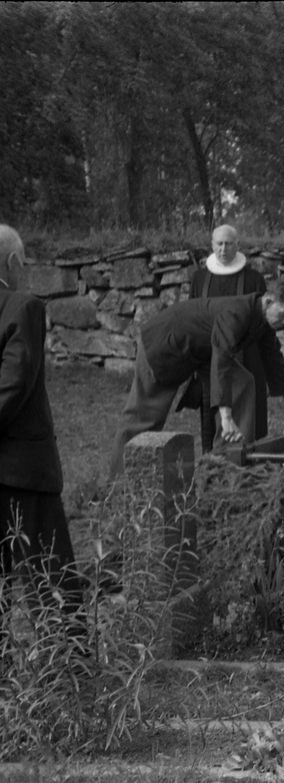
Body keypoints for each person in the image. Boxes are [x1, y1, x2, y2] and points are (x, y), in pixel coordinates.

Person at [109, 279, 284, 479]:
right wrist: (226, 417)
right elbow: (222, 359)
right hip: (163, 343)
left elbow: (273, 357)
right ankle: (118, 482)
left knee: (242, 383)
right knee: (144, 415)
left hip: (200, 350)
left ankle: (227, 465)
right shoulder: (237, 313)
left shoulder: (263, 319)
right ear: (269, 301)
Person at [0, 225, 85, 630]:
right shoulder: (23, 306)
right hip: (22, 471)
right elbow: (13, 385)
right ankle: (68, 677)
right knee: (50, 577)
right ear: (13, 263)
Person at [185, 224, 284, 452]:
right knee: (213, 422)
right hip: (211, 360)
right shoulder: (199, 279)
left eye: (228, 243)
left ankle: (253, 465)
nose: (223, 249)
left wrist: (282, 388)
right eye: (219, 244)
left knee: (251, 421)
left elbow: (265, 329)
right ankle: (215, 465)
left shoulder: (253, 279)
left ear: (237, 245)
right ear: (211, 246)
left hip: (249, 360)